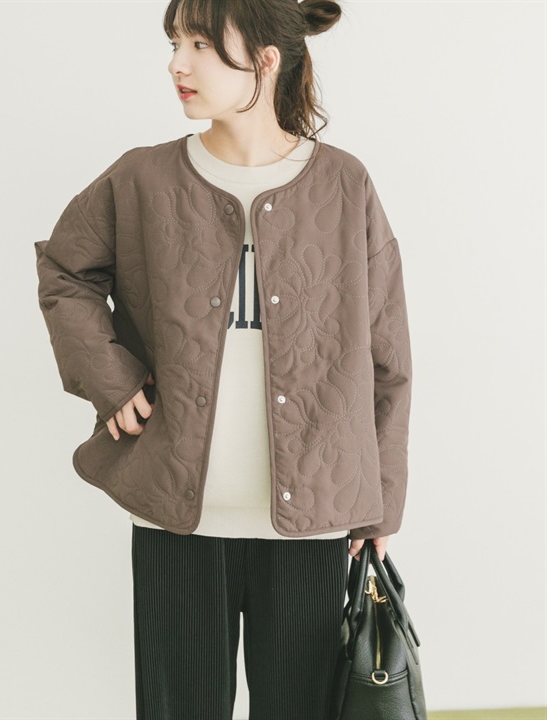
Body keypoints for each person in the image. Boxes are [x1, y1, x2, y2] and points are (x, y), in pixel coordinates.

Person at [34, 0, 413, 718]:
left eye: (201, 44)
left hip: (312, 522)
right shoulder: (143, 178)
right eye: (175, 41)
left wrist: (383, 499)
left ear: (266, 60)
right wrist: (112, 380)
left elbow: (387, 355)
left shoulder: (344, 184)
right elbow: (64, 270)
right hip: (175, 515)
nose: (177, 63)